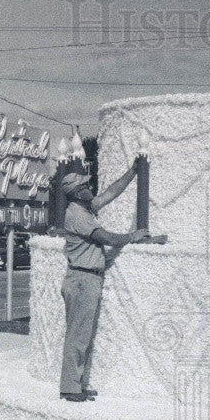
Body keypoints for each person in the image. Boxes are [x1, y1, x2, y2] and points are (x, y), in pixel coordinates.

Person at [58, 167, 149, 402]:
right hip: (82, 279)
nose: (91, 189)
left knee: (82, 334)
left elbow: (111, 192)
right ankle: (70, 388)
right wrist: (132, 236)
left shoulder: (84, 208)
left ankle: (75, 385)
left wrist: (133, 170)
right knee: (78, 335)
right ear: (77, 193)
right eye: (85, 186)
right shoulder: (78, 215)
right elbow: (106, 238)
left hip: (86, 278)